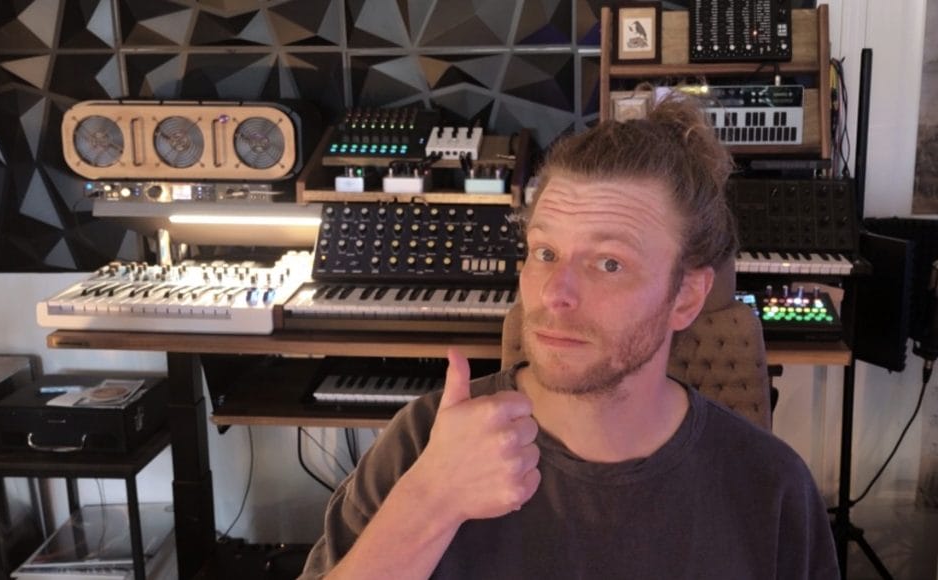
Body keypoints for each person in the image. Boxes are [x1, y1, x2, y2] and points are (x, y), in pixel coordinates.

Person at [300, 93, 840, 579]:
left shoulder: (770, 487)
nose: (554, 292)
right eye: (546, 253)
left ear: (686, 296)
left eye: (609, 263)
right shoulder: (424, 443)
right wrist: (431, 501)